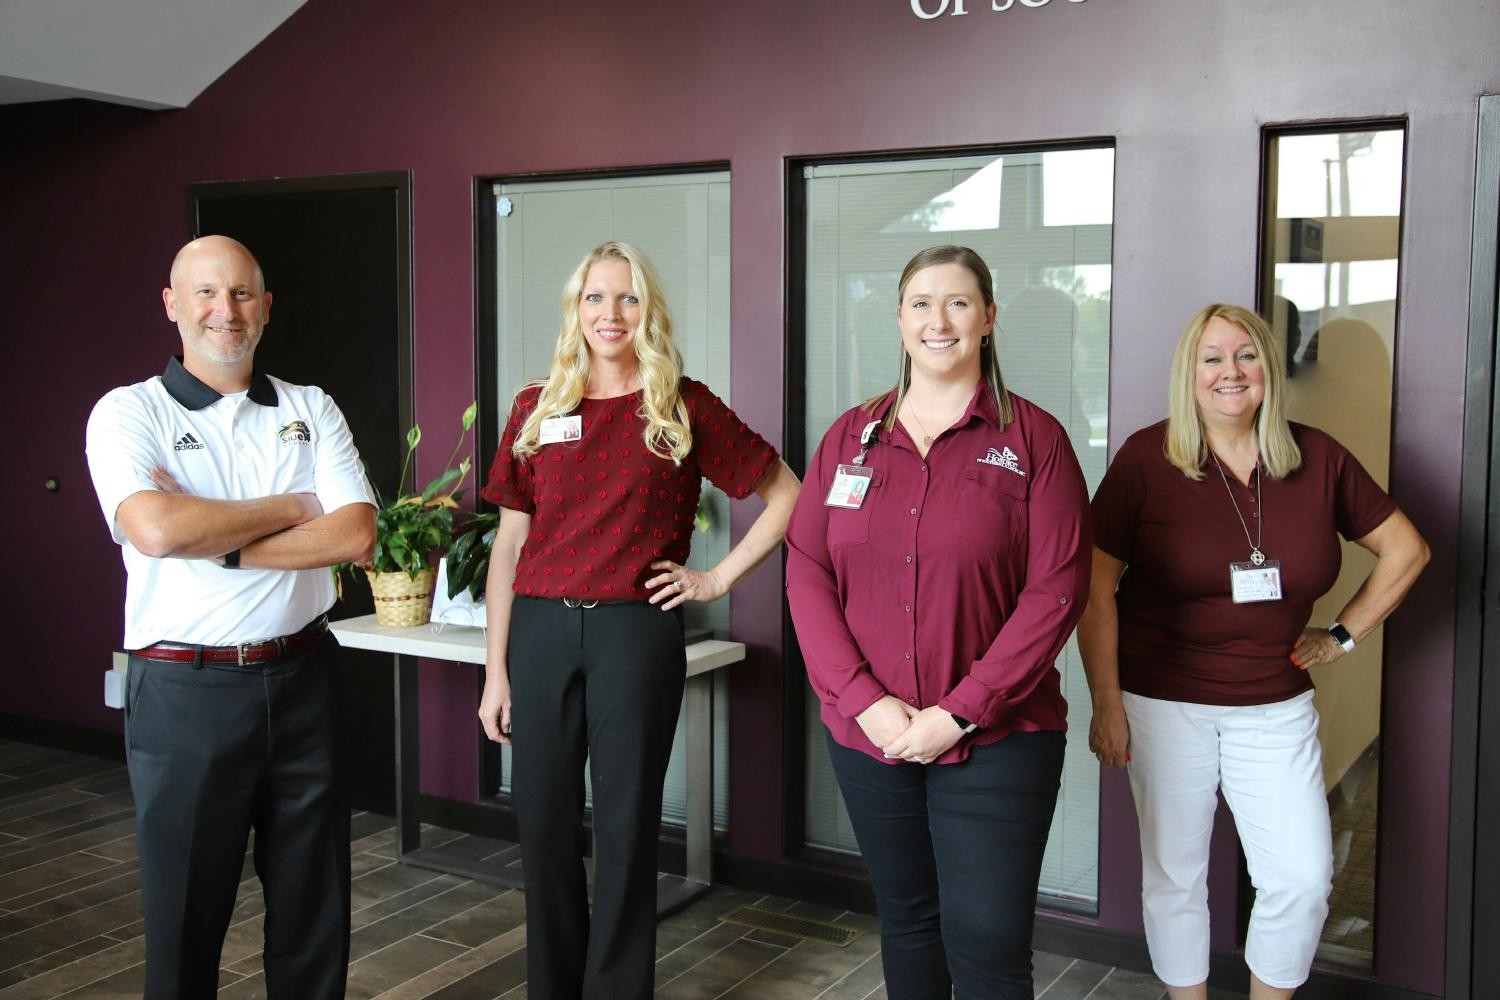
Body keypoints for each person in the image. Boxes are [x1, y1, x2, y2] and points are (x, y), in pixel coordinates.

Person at [477, 240, 800, 999]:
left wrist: (714, 577)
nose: (610, 313)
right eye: (595, 298)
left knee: (624, 829)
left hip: (634, 635)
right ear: (575, 310)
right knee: (544, 829)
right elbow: (507, 547)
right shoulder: (537, 406)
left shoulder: (682, 405)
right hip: (541, 633)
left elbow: (786, 491)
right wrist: (495, 671)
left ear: (647, 310)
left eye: (627, 298)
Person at [1078, 304, 1429, 1000]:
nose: (1230, 372)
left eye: (1246, 356)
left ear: (1270, 367)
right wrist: (1107, 702)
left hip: (1273, 705)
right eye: (1213, 358)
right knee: (1175, 874)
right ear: (1191, 372)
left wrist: (1342, 633)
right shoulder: (1148, 458)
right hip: (1161, 702)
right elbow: (1094, 589)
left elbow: (1408, 550)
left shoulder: (1317, 456)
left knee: (1300, 878)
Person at [785, 245, 1091, 999]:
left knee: (987, 939)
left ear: (988, 320)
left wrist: (958, 712)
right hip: (870, 738)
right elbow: (807, 570)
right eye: (921, 303)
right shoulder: (848, 438)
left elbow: (1056, 590)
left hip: (1000, 742)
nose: (938, 321)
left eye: (958, 303)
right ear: (898, 321)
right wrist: (864, 702)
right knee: (909, 920)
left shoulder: (1035, 441)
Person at [84, 236, 377, 998]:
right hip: (187, 694)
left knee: (315, 915)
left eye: (243, 293)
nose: (226, 311)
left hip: (306, 676)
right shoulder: (128, 413)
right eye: (207, 293)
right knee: (185, 919)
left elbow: (352, 534)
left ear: (267, 306)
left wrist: (226, 546)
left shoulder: (311, 406)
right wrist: (289, 507)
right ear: (172, 305)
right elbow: (156, 530)